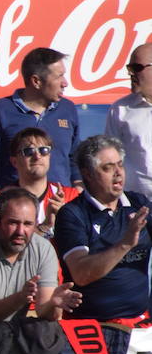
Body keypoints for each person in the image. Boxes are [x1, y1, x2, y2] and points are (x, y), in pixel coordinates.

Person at [53, 136, 152, 322]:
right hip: (93, 325)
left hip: (140, 323)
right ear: (88, 173)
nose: (118, 173)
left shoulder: (139, 203)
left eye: (120, 165)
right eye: (108, 167)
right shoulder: (73, 214)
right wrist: (125, 244)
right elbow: (81, 274)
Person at [0, 47, 80, 198]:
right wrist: (0, 202)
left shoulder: (68, 109)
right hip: (17, 214)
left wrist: (76, 199)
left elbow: (76, 159)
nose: (65, 83)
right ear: (36, 81)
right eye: (59, 76)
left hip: (62, 210)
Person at [0, 187, 80, 322]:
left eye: (28, 224)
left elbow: (45, 313)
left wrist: (54, 304)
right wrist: (20, 298)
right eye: (13, 222)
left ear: (36, 223)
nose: (20, 231)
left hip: (17, 332)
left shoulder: (44, 249)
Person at [0, 127, 80, 235]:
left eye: (44, 150)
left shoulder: (71, 196)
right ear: (14, 161)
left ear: (49, 156)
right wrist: (45, 225)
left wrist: (67, 218)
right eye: (28, 151)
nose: (37, 156)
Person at [103, 42, 152, 197]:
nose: (131, 74)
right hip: (135, 205)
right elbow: (109, 157)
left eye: (136, 68)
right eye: (129, 68)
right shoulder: (120, 109)